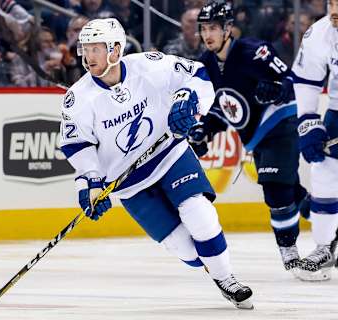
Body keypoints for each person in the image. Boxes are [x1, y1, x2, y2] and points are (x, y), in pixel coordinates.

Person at [59, 18, 253, 309]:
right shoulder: (78, 98)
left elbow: (198, 75)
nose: (88, 57)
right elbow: (78, 145)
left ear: (115, 50)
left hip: (171, 155)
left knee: (199, 213)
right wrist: (89, 182)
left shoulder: (149, 65)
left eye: (96, 49)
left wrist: (188, 99)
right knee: (185, 249)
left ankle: (227, 279)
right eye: (85, 49)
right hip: (129, 184)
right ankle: (214, 267)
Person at [193, 1, 310, 276]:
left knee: (274, 188)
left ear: (228, 28)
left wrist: (278, 88)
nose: (208, 34)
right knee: (290, 191)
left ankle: (289, 253)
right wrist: (205, 129)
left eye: (214, 28)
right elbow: (220, 106)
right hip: (256, 136)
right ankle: (332, 231)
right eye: (204, 29)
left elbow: (291, 80)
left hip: (280, 122)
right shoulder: (206, 63)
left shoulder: (253, 51)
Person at [291, 0, 338, 281]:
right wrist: (308, 120)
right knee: (324, 172)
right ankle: (324, 249)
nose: (335, 9)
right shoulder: (320, 33)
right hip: (337, 108)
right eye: (331, 1)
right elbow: (307, 80)